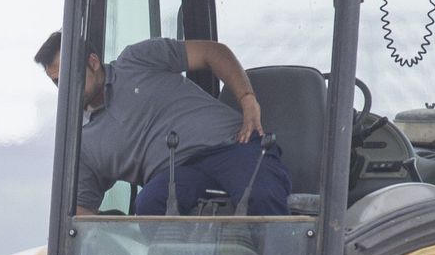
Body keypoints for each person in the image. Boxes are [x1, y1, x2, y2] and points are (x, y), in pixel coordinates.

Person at [35, 33, 291, 216]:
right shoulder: (82, 141)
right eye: (58, 82)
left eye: (70, 77)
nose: (64, 89)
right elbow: (80, 212)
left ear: (92, 62)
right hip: (176, 173)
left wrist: (247, 100)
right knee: (150, 206)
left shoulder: (137, 59)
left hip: (233, 145)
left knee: (261, 195)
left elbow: (213, 52)